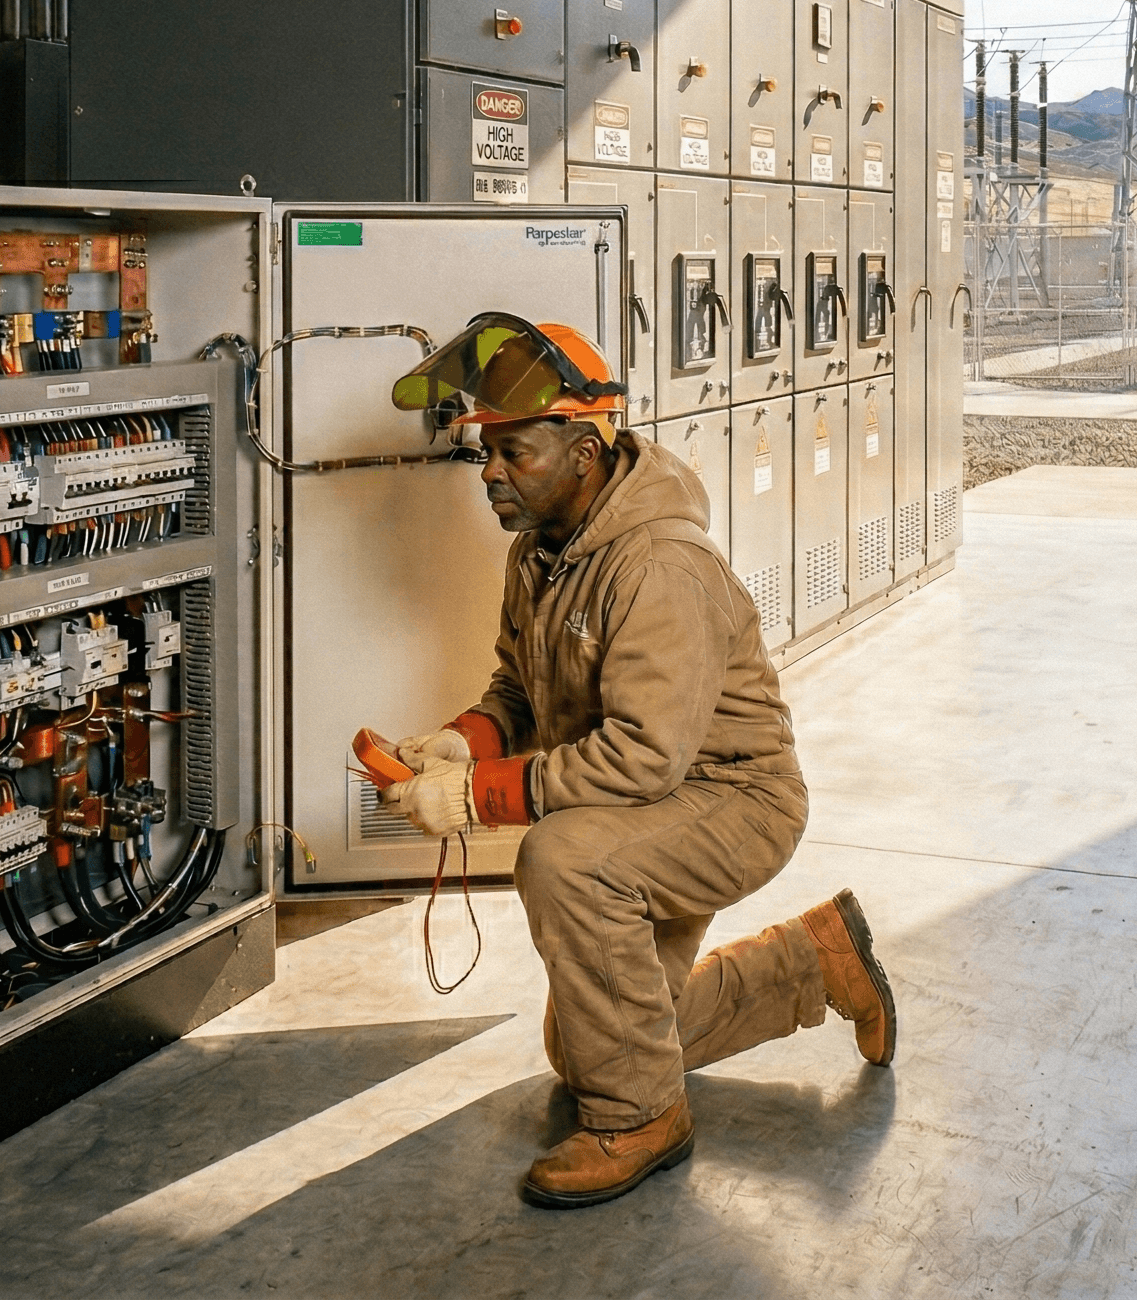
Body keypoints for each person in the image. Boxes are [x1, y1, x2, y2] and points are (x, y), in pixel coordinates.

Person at [377, 313, 896, 1210]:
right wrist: (468, 738)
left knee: (563, 859)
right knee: (583, 1047)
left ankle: (641, 1120)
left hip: (733, 799)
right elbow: (520, 689)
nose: (491, 474)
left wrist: (477, 797)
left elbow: (646, 756)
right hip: (653, 800)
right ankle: (816, 962)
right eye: (483, 453)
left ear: (583, 450)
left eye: (513, 452)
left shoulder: (658, 566)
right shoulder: (539, 553)